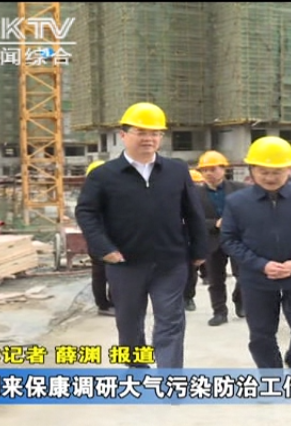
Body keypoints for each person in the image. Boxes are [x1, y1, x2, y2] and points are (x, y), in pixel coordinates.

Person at [75, 102, 208, 369]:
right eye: (141, 132)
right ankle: (137, 371)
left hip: (170, 262)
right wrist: (104, 249)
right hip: (125, 264)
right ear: (123, 135)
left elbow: (193, 211)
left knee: (170, 322)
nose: (149, 138)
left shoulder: (176, 170)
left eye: (155, 133)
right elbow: (86, 212)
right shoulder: (104, 175)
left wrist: (199, 250)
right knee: (129, 324)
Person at [221, 136, 291, 369]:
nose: (270, 177)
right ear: (252, 170)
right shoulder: (237, 202)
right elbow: (229, 240)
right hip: (257, 279)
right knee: (261, 335)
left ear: (290, 170)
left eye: (277, 172)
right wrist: (260, 264)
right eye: (263, 172)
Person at [195, 150, 247, 326]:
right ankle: (219, 312)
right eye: (205, 170)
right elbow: (191, 219)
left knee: (244, 275)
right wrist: (214, 223)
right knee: (215, 279)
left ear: (223, 169)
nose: (209, 173)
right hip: (212, 241)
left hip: (238, 239)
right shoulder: (195, 194)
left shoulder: (240, 189)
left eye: (213, 169)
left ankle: (240, 301)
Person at [83, 160, 114, 316]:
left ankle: (104, 304)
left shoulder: (88, 193)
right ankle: (108, 304)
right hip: (105, 238)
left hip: (97, 239)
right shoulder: (103, 193)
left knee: (100, 273)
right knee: (110, 271)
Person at [184, 169, 207, 312]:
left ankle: (188, 297)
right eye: (194, 184)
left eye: (199, 184)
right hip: (179, 236)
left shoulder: (202, 197)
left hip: (194, 237)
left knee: (191, 271)